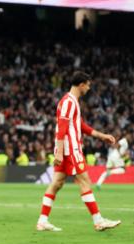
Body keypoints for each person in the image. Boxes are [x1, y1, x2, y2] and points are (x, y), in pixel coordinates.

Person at [36, 71, 121, 232]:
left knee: (56, 184)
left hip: (67, 149)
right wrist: (60, 152)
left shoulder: (71, 102)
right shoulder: (69, 102)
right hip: (70, 149)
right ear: (81, 84)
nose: (89, 88)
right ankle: (98, 220)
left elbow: (81, 126)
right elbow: (62, 127)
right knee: (84, 181)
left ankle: (42, 221)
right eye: (88, 85)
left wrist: (102, 136)